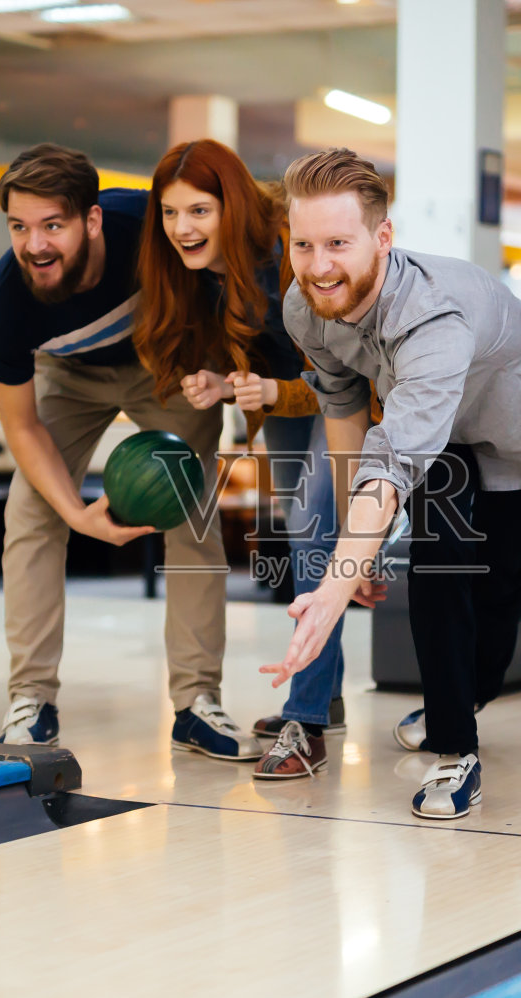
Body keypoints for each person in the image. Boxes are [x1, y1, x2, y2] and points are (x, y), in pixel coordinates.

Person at [261, 148, 521, 820]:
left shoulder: (432, 315)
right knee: (438, 565)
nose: (319, 266)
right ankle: (455, 748)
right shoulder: (304, 305)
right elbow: (346, 410)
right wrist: (360, 548)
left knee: (495, 576)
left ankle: (465, 694)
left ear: (382, 238)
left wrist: (334, 588)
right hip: (439, 436)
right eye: (304, 244)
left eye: (339, 244)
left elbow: (395, 460)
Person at [0, 143, 261, 762]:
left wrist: (222, 370)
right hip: (69, 375)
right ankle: (31, 699)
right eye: (19, 227)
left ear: (93, 219)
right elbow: (23, 429)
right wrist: (77, 515)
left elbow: (232, 286)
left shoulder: (150, 232)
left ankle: (196, 704)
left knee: (192, 513)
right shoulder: (5, 301)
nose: (35, 245)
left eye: (53, 225)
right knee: (30, 511)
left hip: (166, 360)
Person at [132, 138, 342, 780]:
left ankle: (304, 721)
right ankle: (322, 696)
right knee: (314, 541)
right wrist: (220, 382)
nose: (181, 228)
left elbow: (351, 372)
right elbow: (247, 349)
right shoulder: (209, 274)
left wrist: (276, 390)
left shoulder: (290, 253)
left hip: (346, 400)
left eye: (198, 210)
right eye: (169, 213)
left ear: (232, 205)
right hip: (284, 405)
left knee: (313, 530)